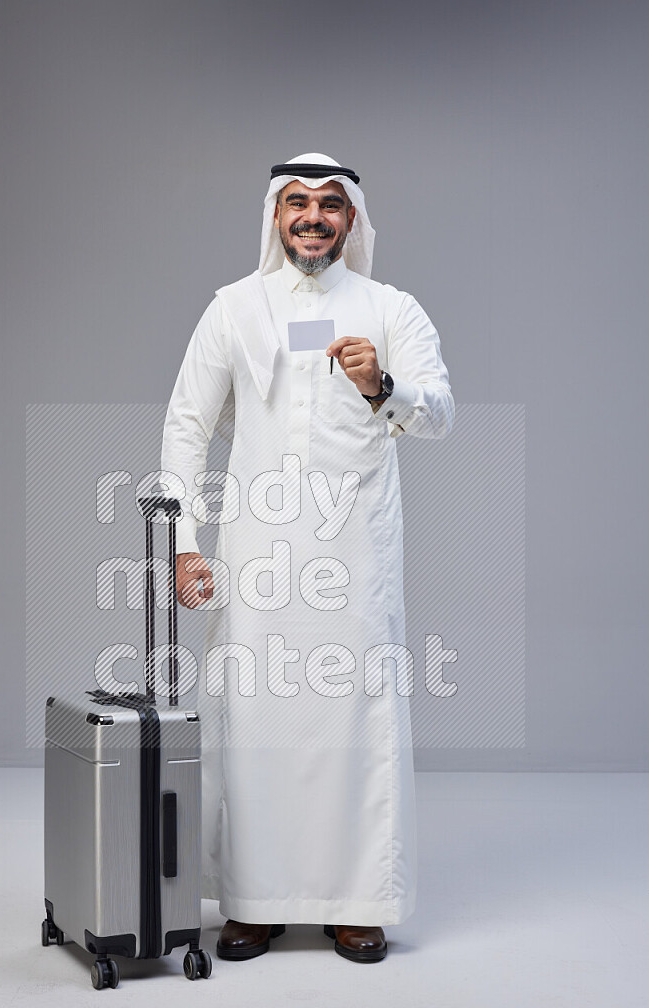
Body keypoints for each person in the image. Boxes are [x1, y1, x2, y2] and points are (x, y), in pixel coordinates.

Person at [159, 153, 453, 963]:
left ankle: (358, 902)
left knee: (354, 719)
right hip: (254, 551)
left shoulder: (391, 309)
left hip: (355, 551)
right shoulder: (233, 308)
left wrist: (381, 384)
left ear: (352, 219)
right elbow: (188, 424)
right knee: (252, 719)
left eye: (330, 204)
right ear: (275, 216)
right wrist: (184, 544)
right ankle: (253, 902)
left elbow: (439, 412)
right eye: (297, 203)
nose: (313, 216)